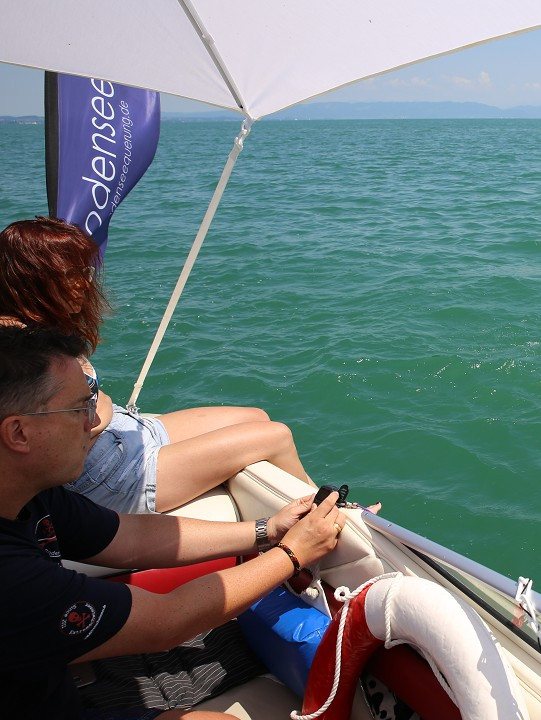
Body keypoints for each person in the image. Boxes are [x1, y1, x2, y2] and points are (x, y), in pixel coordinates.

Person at [0, 326, 380, 719]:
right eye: (80, 407)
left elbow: (128, 536)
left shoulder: (28, 493)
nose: (94, 421)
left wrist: (267, 530)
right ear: (19, 433)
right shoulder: (12, 578)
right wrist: (292, 554)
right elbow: (166, 622)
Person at [0, 217, 316, 513]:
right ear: (36, 279)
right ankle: (333, 520)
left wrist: (103, 409)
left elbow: (90, 409)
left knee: (256, 417)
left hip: (124, 434)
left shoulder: (37, 331)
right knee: (274, 436)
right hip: (106, 476)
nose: (85, 284)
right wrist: (102, 408)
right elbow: (83, 422)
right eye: (73, 275)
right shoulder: (23, 352)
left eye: (86, 272)